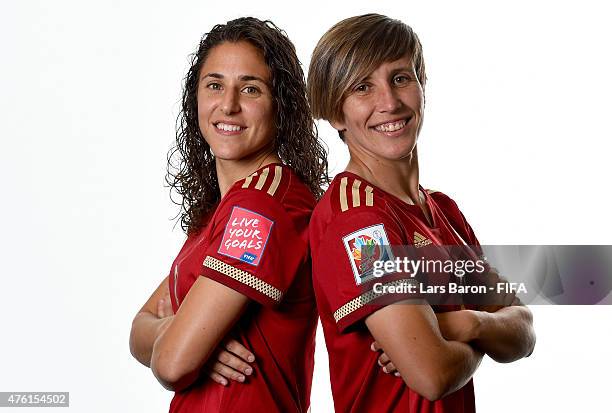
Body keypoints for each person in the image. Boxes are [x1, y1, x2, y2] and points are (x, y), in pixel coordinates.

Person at [307, 13, 536, 412]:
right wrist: (478, 330)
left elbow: (524, 330)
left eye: (400, 78)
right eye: (363, 87)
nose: (390, 102)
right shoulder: (358, 222)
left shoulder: (443, 210)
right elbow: (432, 374)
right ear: (336, 113)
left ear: (422, 85)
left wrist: (468, 324)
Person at [129, 17, 327, 413]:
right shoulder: (223, 211)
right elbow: (140, 328)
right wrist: (179, 333)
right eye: (215, 85)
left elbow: (171, 363)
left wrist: (183, 342)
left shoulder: (262, 205)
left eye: (250, 88)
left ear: (281, 104)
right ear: (195, 98)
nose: (229, 104)